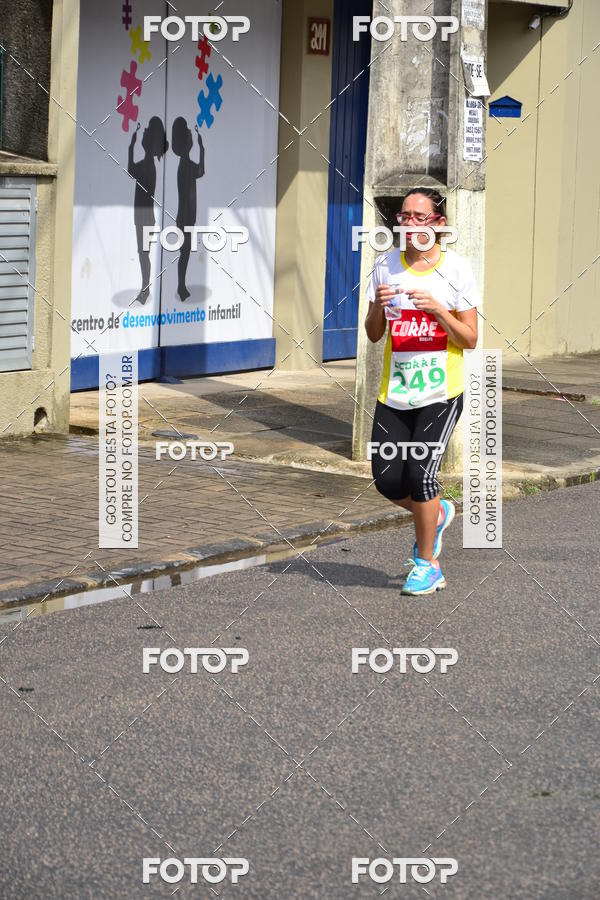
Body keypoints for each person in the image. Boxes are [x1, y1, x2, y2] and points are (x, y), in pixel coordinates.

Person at [365, 188, 480, 595]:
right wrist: (377, 306)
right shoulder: (385, 267)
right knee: (386, 480)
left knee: (420, 474)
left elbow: (469, 339)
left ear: (438, 223)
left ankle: (427, 564)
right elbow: (374, 334)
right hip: (394, 393)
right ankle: (439, 512)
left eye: (418, 217)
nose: (408, 224)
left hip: (440, 394)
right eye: (403, 216)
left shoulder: (457, 271)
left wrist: (438, 310)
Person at [128, 117, 169, 305]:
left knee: (143, 253)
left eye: (146, 132)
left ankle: (145, 289)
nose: (143, 132)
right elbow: (131, 170)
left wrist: (131, 146)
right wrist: (131, 145)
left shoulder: (148, 166)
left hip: (145, 216)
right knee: (142, 252)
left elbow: (131, 170)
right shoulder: (148, 164)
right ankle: (145, 288)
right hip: (143, 215)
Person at [171, 118, 205, 301]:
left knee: (184, 252)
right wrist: (202, 149)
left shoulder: (186, 164)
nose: (191, 135)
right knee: (184, 253)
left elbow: (200, 172)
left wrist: (202, 148)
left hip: (186, 217)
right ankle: (181, 286)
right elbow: (200, 171)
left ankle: (181, 285)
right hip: (185, 217)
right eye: (189, 134)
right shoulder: (185, 165)